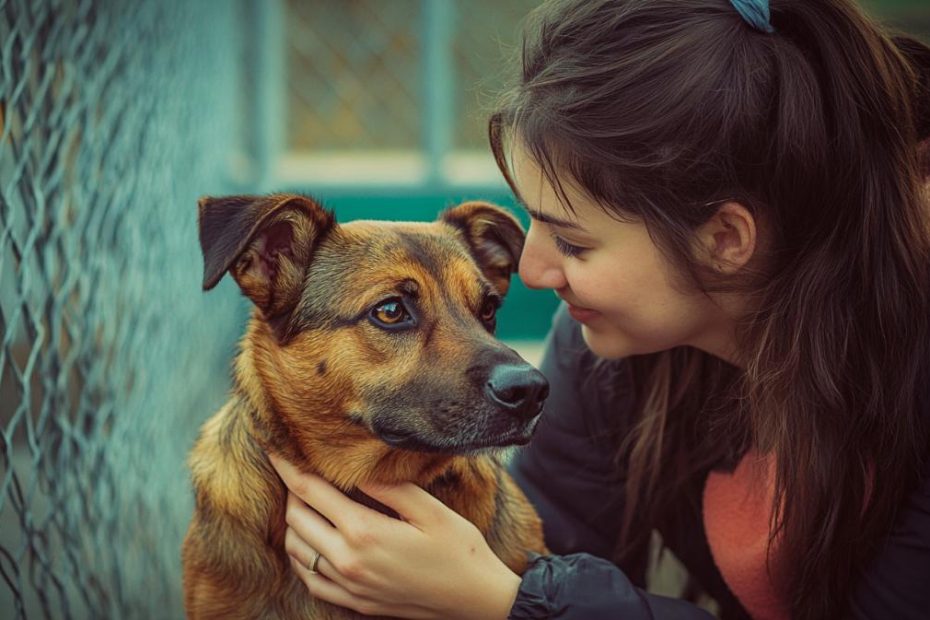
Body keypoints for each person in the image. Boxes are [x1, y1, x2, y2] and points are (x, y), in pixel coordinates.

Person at [268, 0, 930, 617]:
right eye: (532, 222)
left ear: (723, 240)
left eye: (573, 241)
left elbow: (523, 587)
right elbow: (552, 538)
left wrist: (507, 601)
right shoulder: (606, 353)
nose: (530, 270)